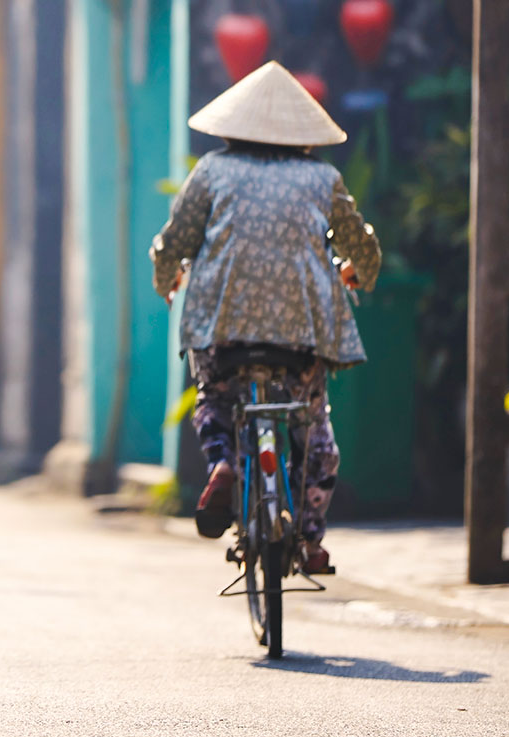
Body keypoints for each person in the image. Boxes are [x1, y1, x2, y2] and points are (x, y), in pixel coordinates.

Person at [150, 61, 381, 574]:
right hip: (302, 331)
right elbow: (360, 245)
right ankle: (311, 539)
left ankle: (226, 463)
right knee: (314, 432)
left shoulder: (212, 170)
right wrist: (358, 275)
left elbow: (176, 240)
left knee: (214, 398)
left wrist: (168, 277)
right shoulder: (323, 178)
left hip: (223, 322)